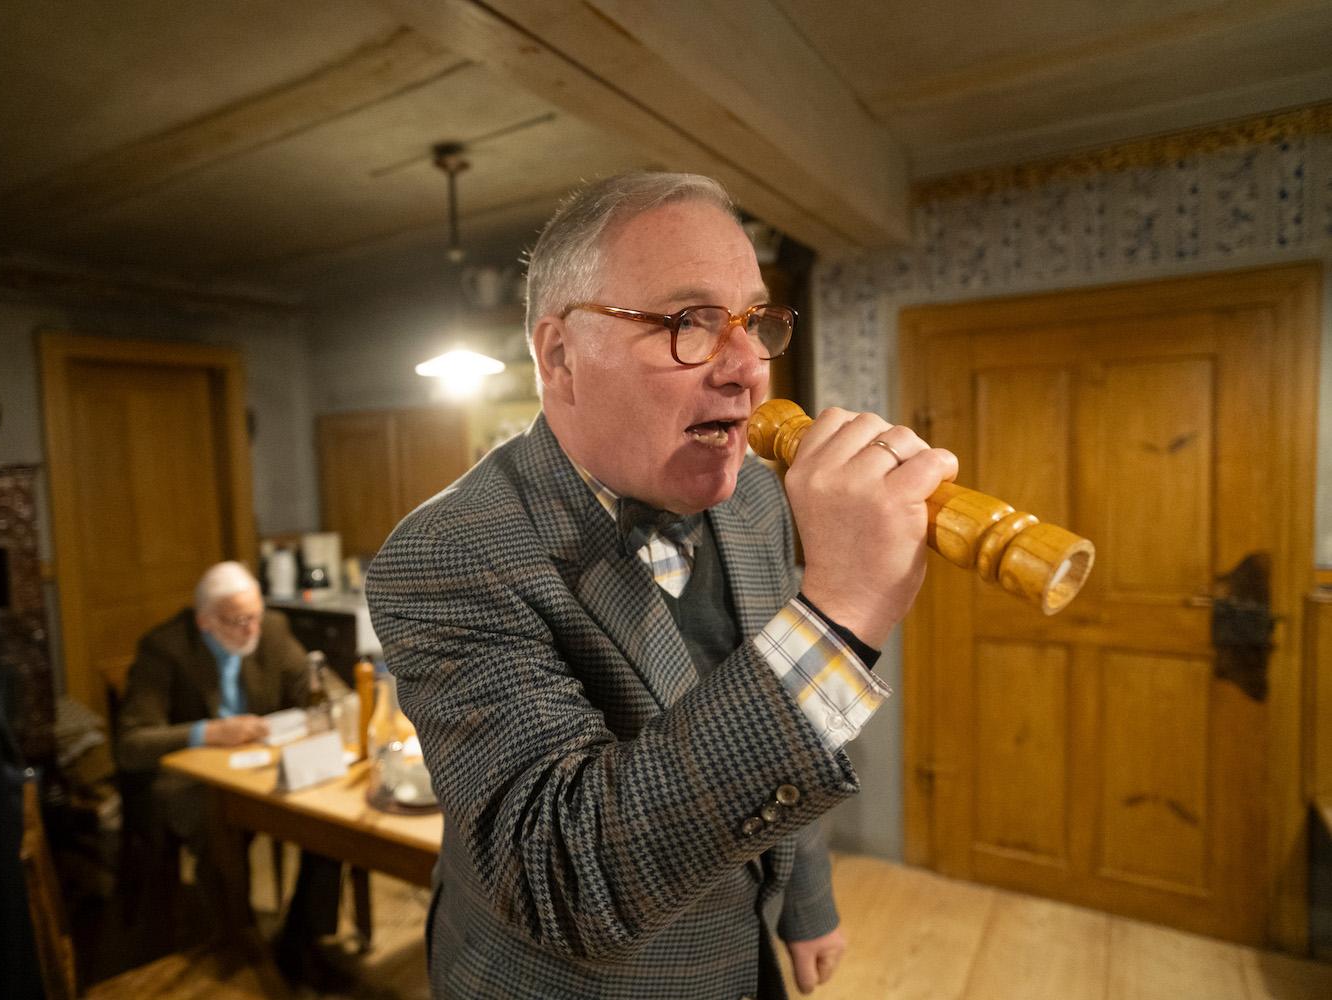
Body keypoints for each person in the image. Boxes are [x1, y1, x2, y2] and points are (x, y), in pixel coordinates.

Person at [366, 172, 957, 999]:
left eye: (753, 322)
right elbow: (561, 875)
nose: (751, 370)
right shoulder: (446, 552)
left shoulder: (755, 494)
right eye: (689, 323)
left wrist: (807, 903)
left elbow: (781, 717)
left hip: (740, 959)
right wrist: (841, 617)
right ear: (559, 355)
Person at [116, 560, 351, 985]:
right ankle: (239, 949)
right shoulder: (165, 648)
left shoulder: (272, 629)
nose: (250, 631)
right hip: (192, 777)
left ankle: (301, 941)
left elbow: (312, 685)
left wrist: (329, 697)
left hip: (259, 765)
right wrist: (209, 731)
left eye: (254, 617)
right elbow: (132, 744)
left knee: (330, 819)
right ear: (205, 621)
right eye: (237, 621)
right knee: (217, 826)